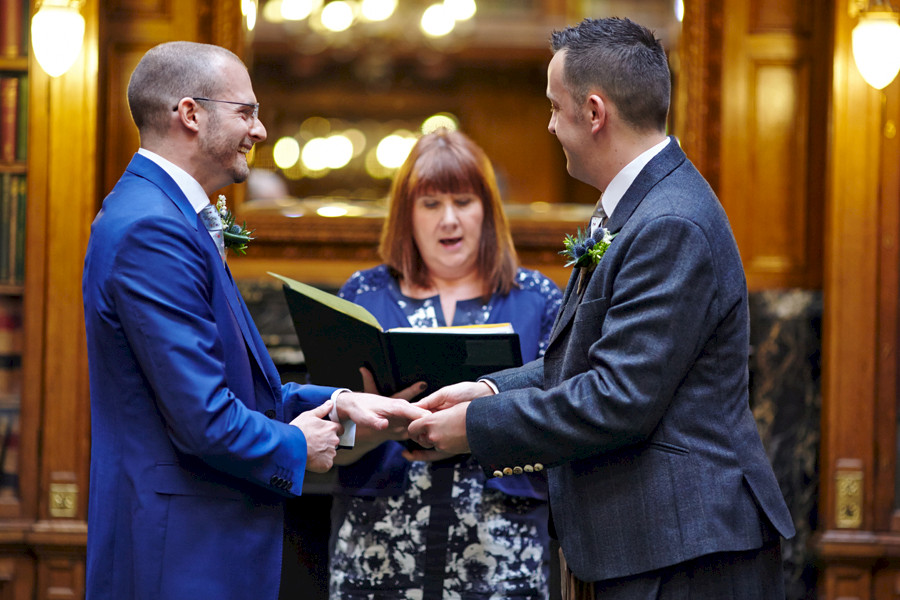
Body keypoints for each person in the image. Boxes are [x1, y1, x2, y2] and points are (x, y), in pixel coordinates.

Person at [409, 18, 796, 599]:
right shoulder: (640, 205)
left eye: (553, 108)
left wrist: (474, 428)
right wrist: (489, 392)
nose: (549, 125)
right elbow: (594, 360)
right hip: (661, 540)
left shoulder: (668, 222)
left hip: (687, 550)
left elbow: (618, 398)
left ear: (594, 113)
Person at [81, 41, 426, 600]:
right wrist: (295, 444)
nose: (260, 131)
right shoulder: (151, 229)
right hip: (177, 552)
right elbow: (202, 417)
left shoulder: (170, 216)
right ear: (190, 114)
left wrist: (338, 402)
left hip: (195, 540)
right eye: (246, 112)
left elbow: (233, 389)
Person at [327, 129, 563, 600]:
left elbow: (562, 424)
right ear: (407, 215)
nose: (449, 219)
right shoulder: (363, 296)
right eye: (431, 204)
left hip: (501, 552)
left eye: (464, 201)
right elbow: (327, 444)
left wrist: (486, 423)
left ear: (488, 211)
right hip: (379, 551)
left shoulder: (538, 298)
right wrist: (375, 425)